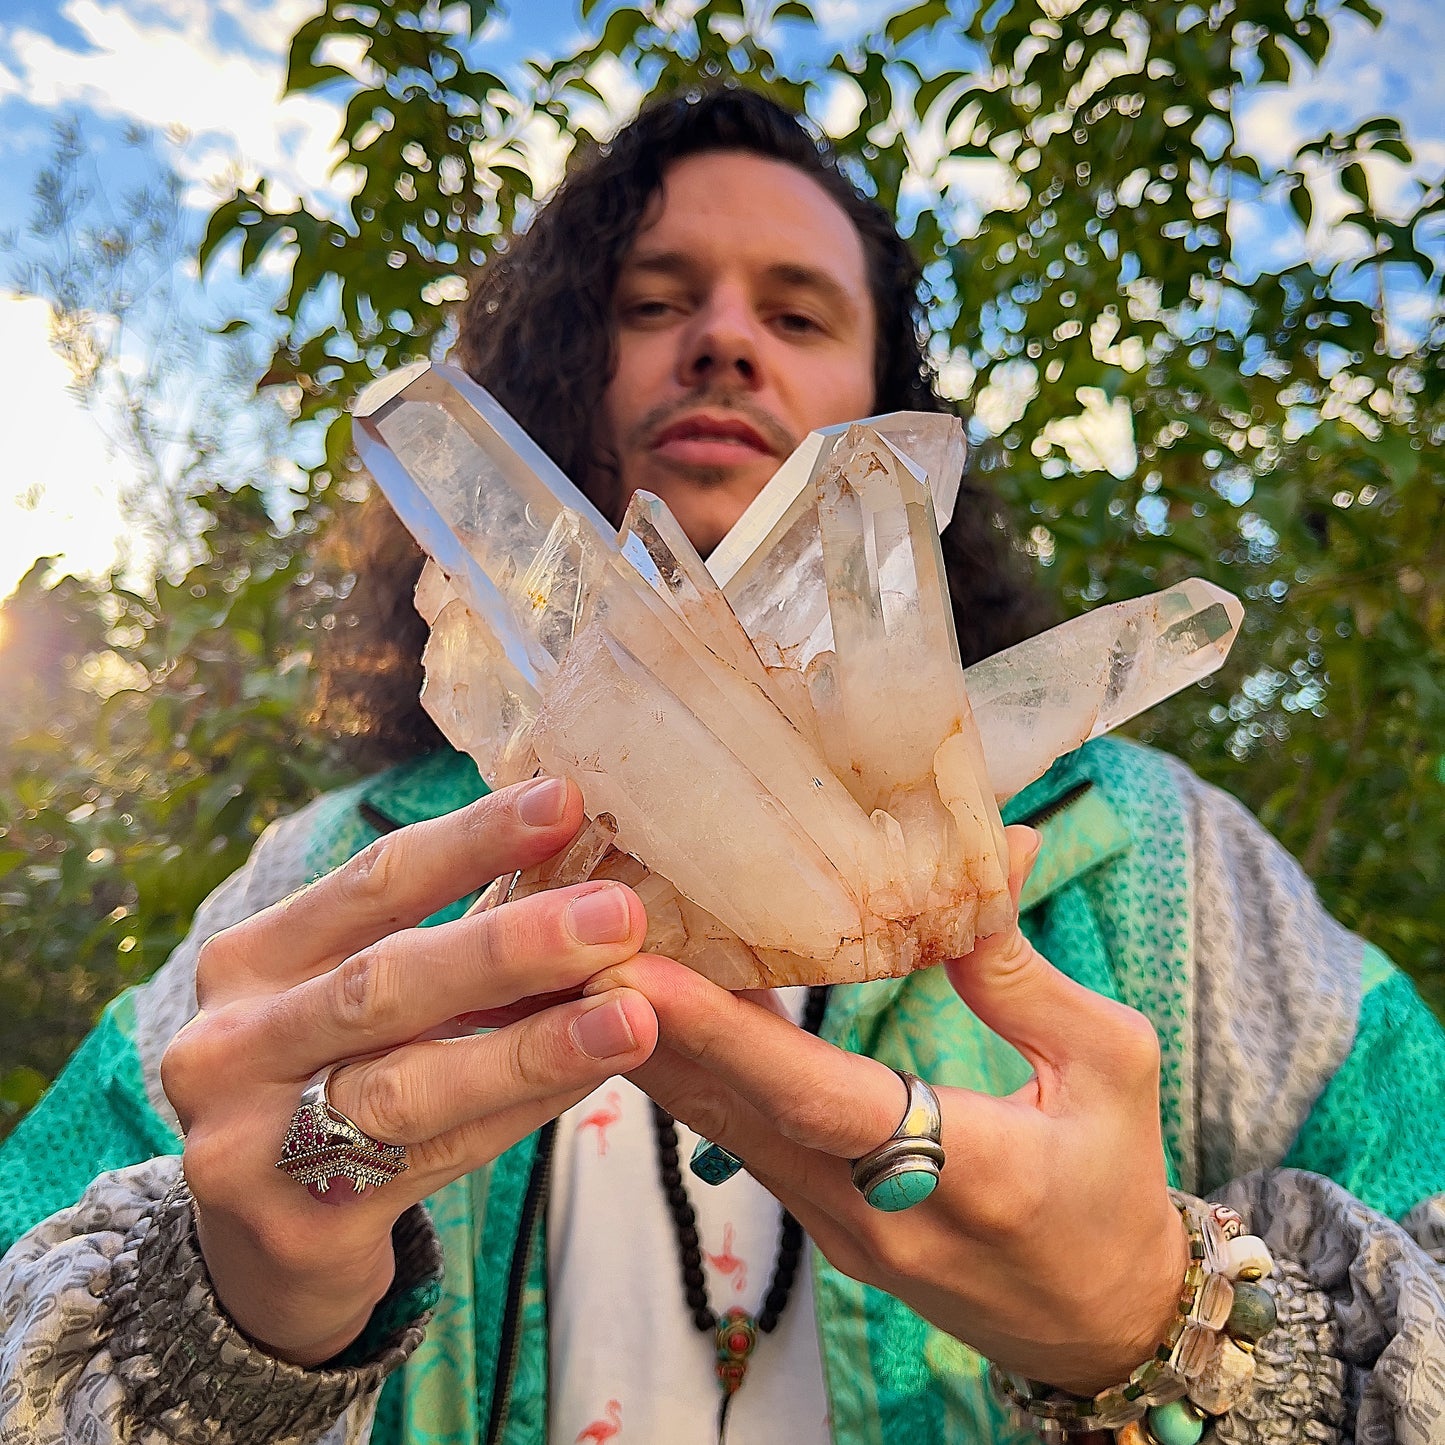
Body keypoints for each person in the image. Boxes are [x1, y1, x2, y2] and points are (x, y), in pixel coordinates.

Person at [1, 88, 1442, 1445]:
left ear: (887, 412)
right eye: (654, 302)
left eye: (796, 309)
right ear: (567, 371)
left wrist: (1166, 1315)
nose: (725, 342)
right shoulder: (327, 889)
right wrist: (225, 1318)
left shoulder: (1153, 863)